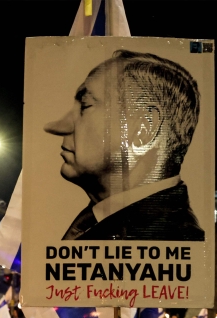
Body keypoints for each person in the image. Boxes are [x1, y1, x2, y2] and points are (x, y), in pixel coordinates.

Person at [45, 50, 205, 242]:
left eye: (85, 106)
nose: (58, 127)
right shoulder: (112, 222)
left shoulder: (165, 236)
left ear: (144, 127)